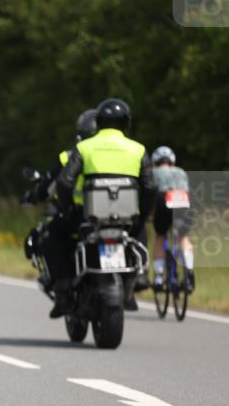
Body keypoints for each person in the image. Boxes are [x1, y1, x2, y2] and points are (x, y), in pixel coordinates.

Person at [51, 98, 157, 317]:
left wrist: (68, 208)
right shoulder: (138, 149)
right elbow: (150, 186)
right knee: (140, 230)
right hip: (127, 218)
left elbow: (64, 182)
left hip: (90, 216)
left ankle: (62, 289)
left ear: (98, 122)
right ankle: (140, 275)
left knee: (55, 234)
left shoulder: (84, 147)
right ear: (127, 123)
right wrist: (143, 215)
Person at [23, 109, 97, 293]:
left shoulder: (71, 155)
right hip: (117, 217)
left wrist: (34, 197)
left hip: (80, 214)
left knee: (50, 237)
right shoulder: (121, 153)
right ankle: (138, 279)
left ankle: (63, 286)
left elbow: (50, 186)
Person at [150, 146, 194, 291]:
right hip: (183, 198)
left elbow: (149, 195)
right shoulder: (180, 172)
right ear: (172, 161)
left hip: (163, 199)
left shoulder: (153, 172)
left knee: (160, 236)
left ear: (155, 161)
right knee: (183, 237)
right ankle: (189, 273)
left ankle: (158, 277)